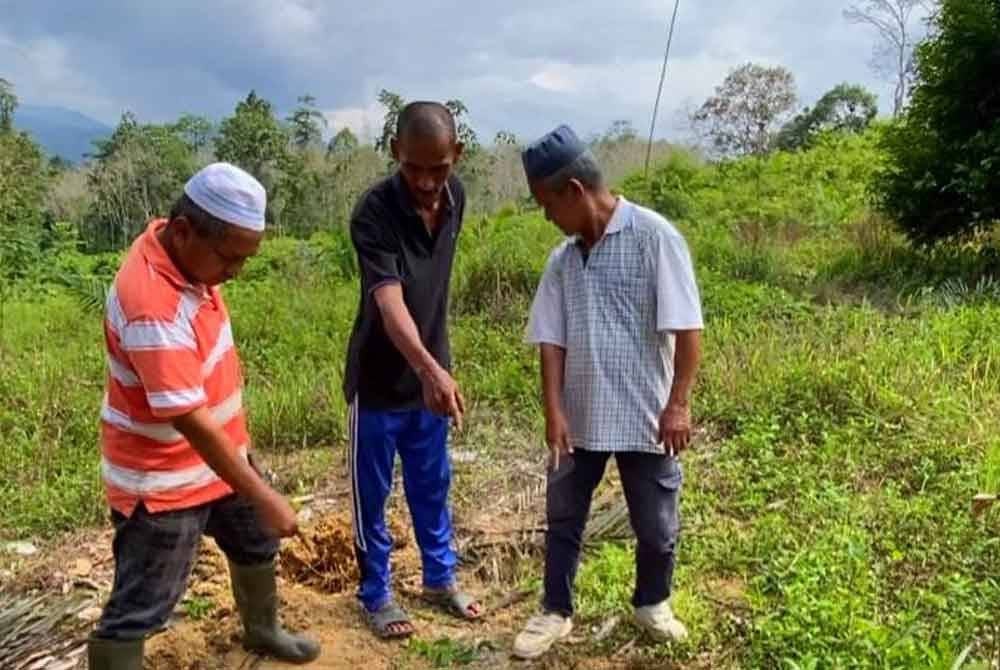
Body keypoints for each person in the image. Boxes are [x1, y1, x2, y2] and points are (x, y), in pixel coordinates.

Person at [87, 163, 320, 669]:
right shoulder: (152, 304)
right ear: (186, 230)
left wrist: (245, 458)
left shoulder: (186, 258)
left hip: (219, 459)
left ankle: (262, 630)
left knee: (255, 541)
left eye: (244, 259)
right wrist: (265, 495)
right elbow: (190, 420)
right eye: (230, 258)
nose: (234, 273)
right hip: (163, 480)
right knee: (143, 604)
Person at [512, 125, 704, 659]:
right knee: (564, 517)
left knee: (656, 522)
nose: (548, 217)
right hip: (581, 416)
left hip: (647, 416)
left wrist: (679, 404)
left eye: (548, 204)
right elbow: (551, 341)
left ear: (574, 191)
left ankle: (652, 603)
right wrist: (554, 411)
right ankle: (555, 610)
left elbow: (688, 331)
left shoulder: (655, 238)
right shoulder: (563, 259)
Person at [343, 101, 484, 639]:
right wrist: (429, 369)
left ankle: (439, 578)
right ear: (395, 153)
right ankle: (376, 593)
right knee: (372, 495)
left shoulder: (458, 199)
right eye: (414, 168)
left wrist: (435, 370)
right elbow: (389, 300)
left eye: (439, 168)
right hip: (379, 383)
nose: (426, 181)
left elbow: (430, 289)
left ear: (457, 156)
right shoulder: (373, 211)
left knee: (433, 483)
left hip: (431, 382)